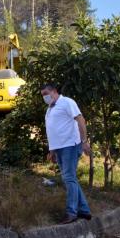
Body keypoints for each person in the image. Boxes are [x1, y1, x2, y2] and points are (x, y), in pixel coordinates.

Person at [41, 84, 92, 224]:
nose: (44, 97)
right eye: (42, 95)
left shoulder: (67, 102)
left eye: (46, 93)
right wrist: (52, 151)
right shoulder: (50, 109)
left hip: (70, 145)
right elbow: (52, 131)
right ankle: (85, 210)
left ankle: (71, 212)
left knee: (69, 178)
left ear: (54, 91)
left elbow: (81, 120)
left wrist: (84, 141)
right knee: (70, 179)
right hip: (59, 148)